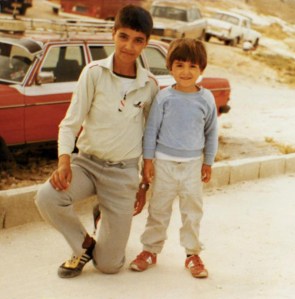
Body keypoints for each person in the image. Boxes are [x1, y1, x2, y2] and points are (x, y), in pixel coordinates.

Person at [35, 5, 158, 279]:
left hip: (122, 172)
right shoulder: (93, 73)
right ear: (113, 34)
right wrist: (64, 160)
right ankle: (83, 245)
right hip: (86, 164)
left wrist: (144, 180)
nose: (129, 46)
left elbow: (150, 134)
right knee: (47, 196)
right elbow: (70, 123)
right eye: (124, 36)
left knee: (109, 265)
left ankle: (103, 214)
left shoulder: (149, 85)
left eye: (138, 40)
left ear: (146, 43)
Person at [129, 38, 218, 278]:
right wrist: (147, 162)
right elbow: (151, 131)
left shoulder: (206, 99)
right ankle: (150, 250)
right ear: (170, 67)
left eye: (193, 66)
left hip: (192, 167)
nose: (186, 72)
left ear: (201, 69)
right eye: (180, 65)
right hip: (164, 165)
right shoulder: (164, 97)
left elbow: (211, 133)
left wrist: (208, 162)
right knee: (158, 210)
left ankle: (192, 254)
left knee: (192, 212)